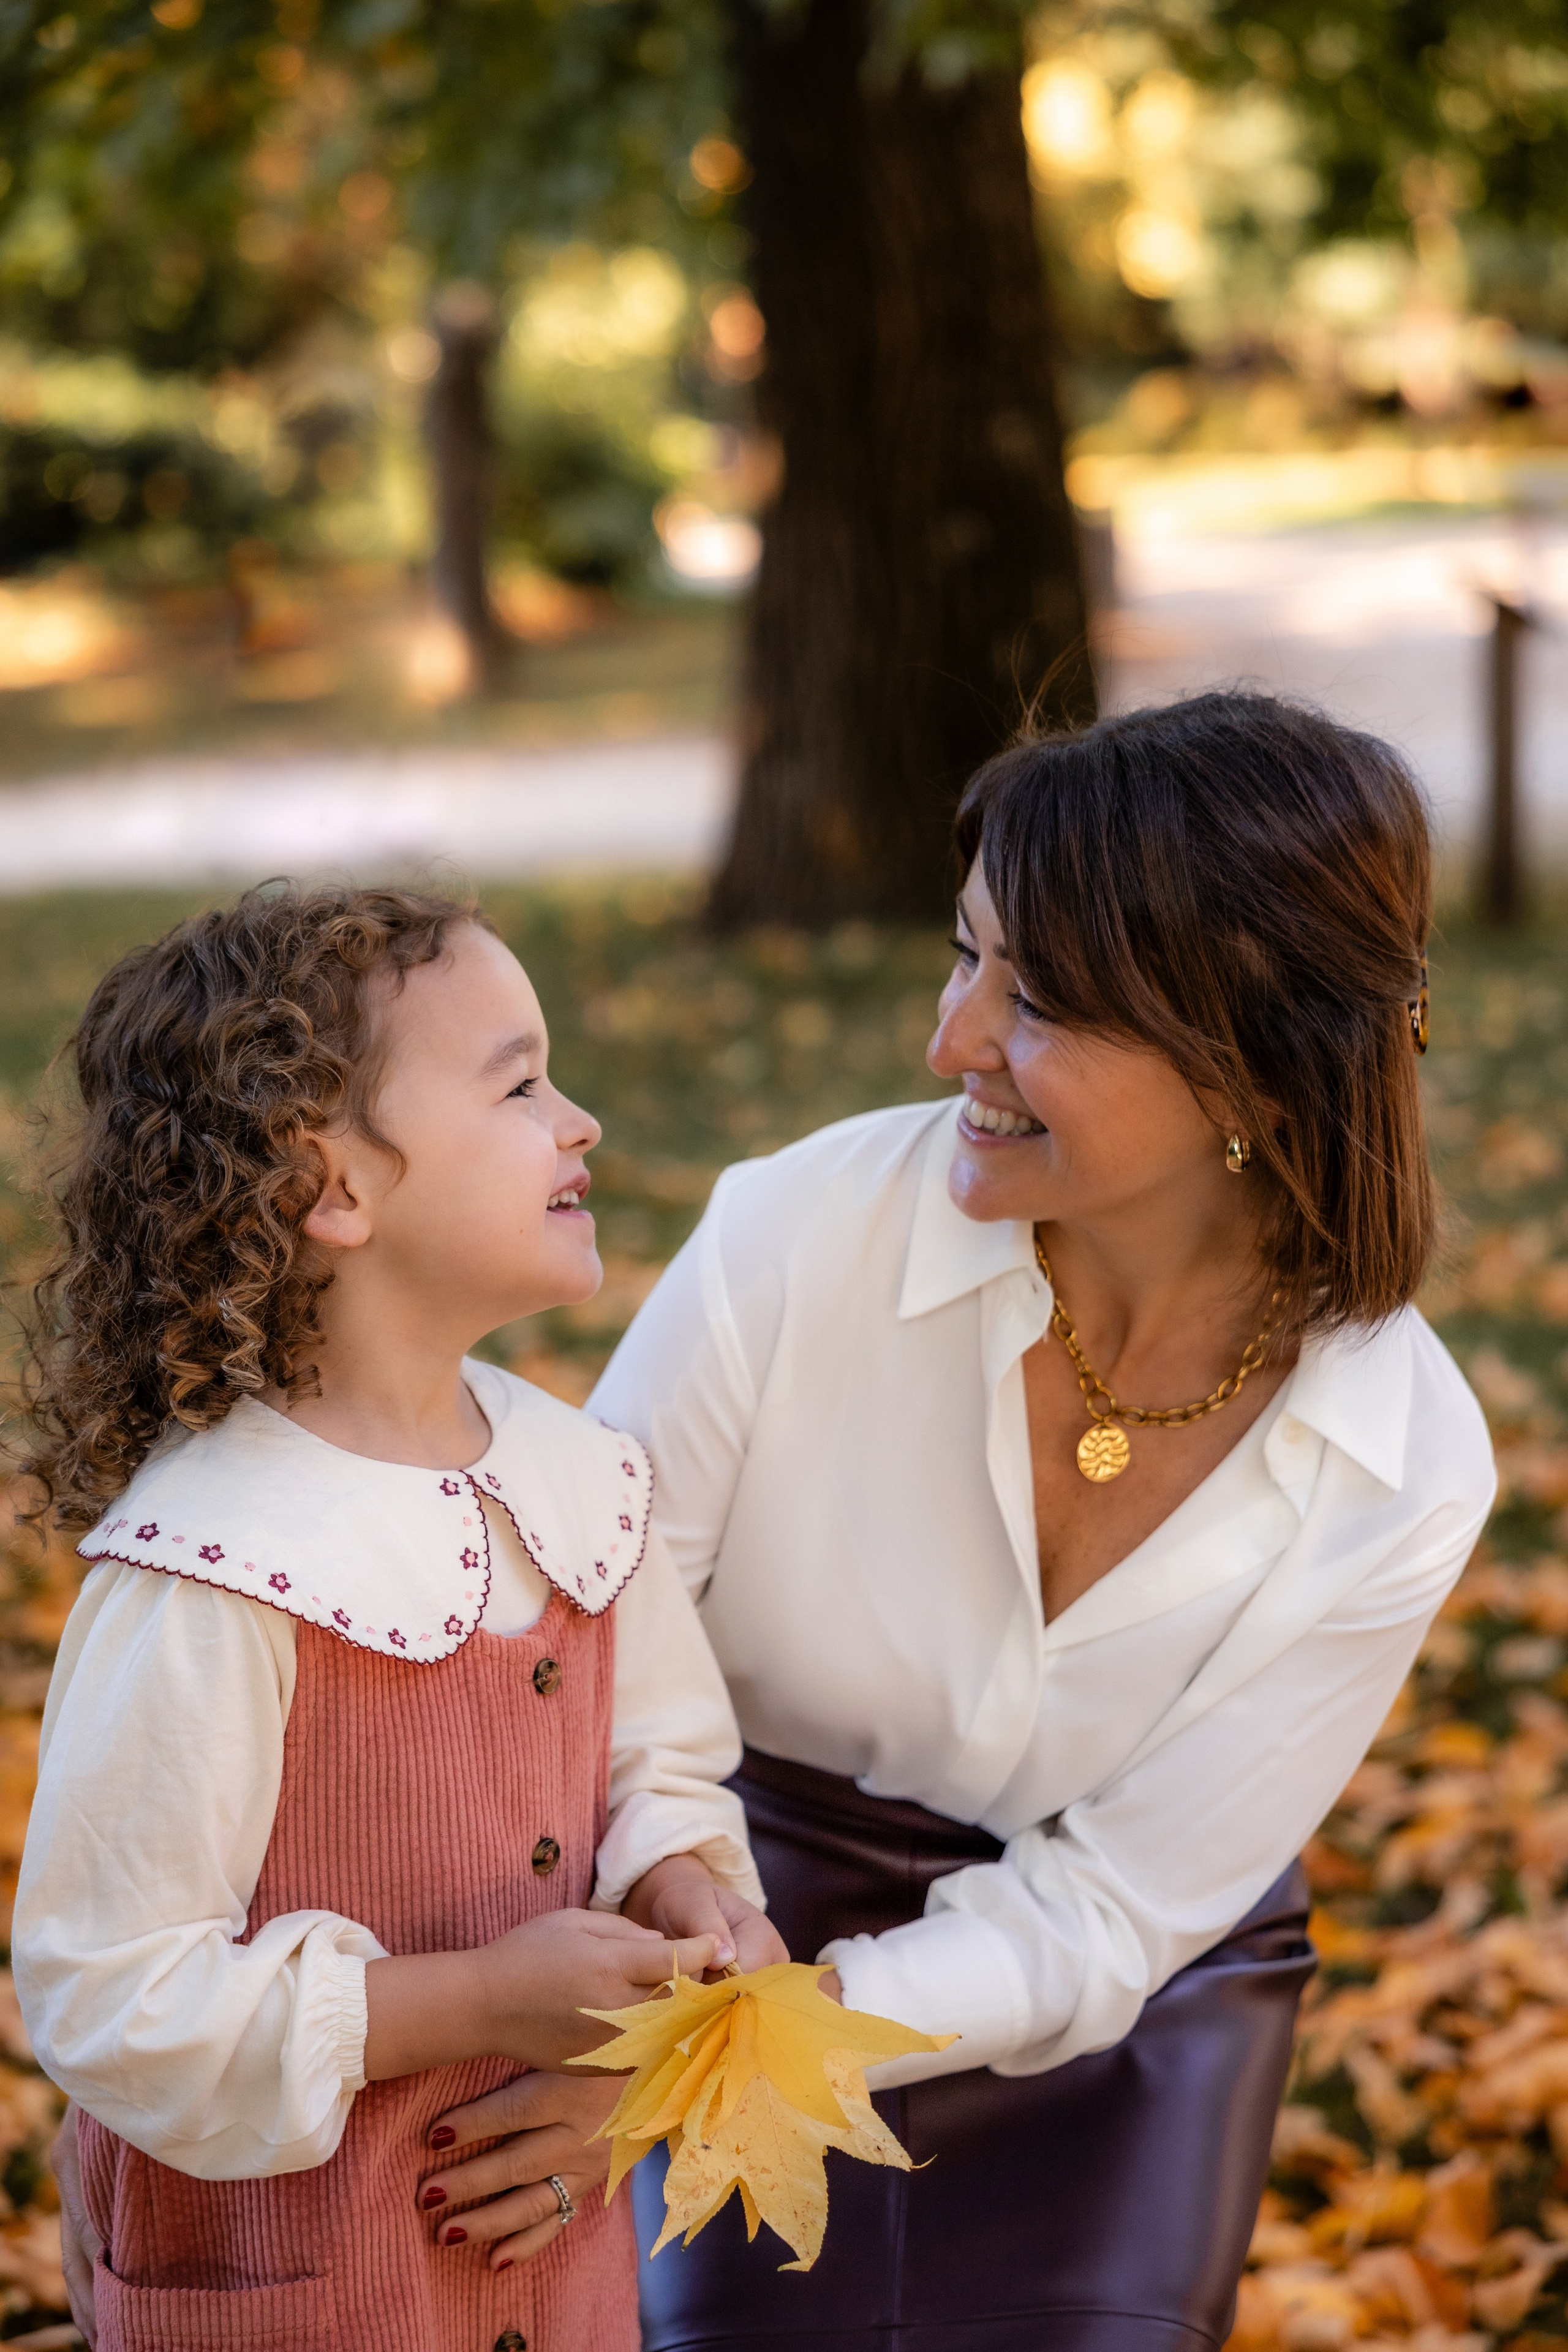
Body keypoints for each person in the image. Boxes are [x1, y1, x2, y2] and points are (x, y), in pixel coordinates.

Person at [436, 692, 1496, 2349]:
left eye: (1042, 1000)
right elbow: (588, 1651)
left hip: (1123, 2002)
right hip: (729, 1904)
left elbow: (1125, 1904)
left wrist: (766, 2048)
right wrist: (691, 2002)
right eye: (964, 954)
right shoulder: (794, 1239)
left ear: (1261, 1057)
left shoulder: (1404, 1458)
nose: (951, 1038)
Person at [13, 884, 785, 2352]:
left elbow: (657, 1771)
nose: (582, 1124)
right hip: (297, 2282)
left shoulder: (584, 1486)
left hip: (543, 2271)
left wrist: (684, 1884)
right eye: (519, 1084)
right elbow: (110, 1997)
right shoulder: (212, 1567)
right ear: (337, 1186)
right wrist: (479, 1999)